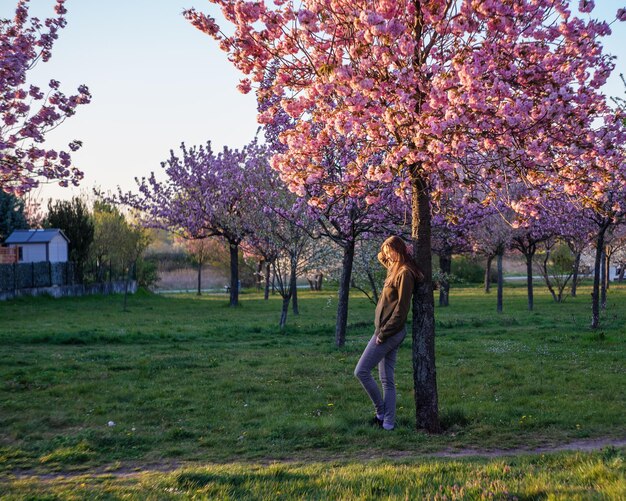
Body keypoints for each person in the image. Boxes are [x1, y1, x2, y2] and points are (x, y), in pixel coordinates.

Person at [354, 236, 423, 431]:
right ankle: (388, 423)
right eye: (385, 252)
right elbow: (381, 257)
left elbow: (401, 310)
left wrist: (383, 334)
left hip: (389, 332)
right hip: (386, 330)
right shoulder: (394, 267)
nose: (386, 255)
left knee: (361, 371)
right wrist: (387, 247)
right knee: (386, 379)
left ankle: (381, 413)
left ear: (398, 251)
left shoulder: (404, 274)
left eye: (389, 251)